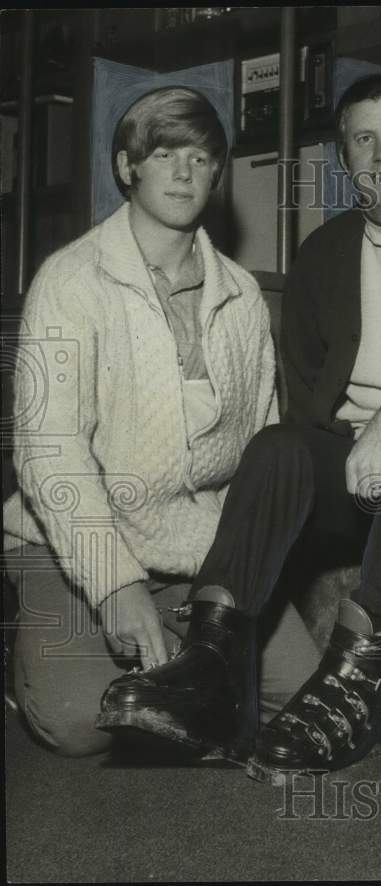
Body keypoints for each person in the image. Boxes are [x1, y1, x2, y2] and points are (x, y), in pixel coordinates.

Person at [95, 74, 381, 774]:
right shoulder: (323, 254)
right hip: (348, 470)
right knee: (275, 448)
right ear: (345, 160)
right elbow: (302, 394)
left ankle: (360, 680)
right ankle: (209, 670)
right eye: (363, 139)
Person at [2, 86, 320, 757]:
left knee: (298, 703)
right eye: (165, 153)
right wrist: (116, 585)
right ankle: (34, 657)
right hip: (73, 541)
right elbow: (48, 452)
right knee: (78, 721)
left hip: (194, 548)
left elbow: (259, 460)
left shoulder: (242, 299)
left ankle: (179, 654)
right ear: (128, 167)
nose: (184, 171)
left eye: (202, 158)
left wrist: (229, 593)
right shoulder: (69, 280)